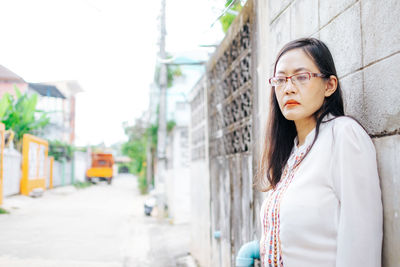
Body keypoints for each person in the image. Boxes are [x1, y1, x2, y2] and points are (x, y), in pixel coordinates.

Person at [257, 38, 383, 267]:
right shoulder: (292, 153)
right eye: (280, 79)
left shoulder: (343, 135)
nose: (289, 88)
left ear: (329, 85)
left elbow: (361, 242)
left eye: (301, 77)